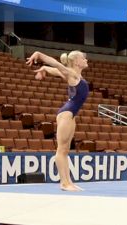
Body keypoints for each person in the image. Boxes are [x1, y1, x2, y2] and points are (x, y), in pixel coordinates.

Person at [26, 50, 89, 191]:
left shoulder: (73, 75)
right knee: (61, 150)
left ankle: (69, 182)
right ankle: (63, 183)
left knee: (66, 150)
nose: (86, 60)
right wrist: (39, 55)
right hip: (66, 114)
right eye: (83, 58)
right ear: (76, 61)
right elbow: (55, 64)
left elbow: (54, 69)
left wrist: (44, 69)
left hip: (71, 115)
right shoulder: (71, 73)